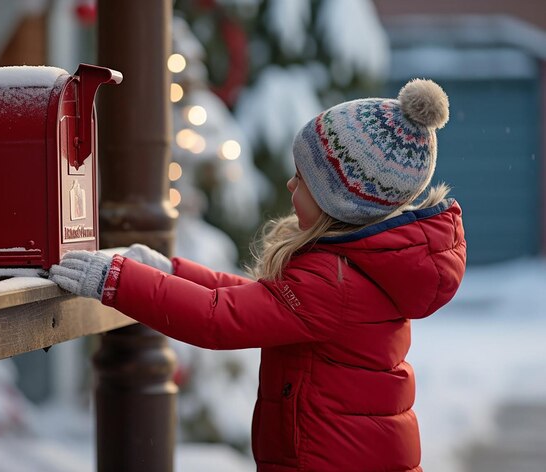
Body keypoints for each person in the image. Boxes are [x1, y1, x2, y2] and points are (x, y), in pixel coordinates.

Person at [50, 79, 466, 472]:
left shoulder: (334, 283)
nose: (289, 184)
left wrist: (117, 281)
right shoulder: (352, 268)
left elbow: (220, 319)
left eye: (302, 180)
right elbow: (259, 301)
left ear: (342, 204)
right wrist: (173, 271)